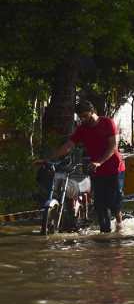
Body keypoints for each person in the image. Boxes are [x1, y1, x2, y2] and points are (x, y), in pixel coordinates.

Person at [35, 100, 125, 233]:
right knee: (100, 206)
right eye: (80, 117)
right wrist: (47, 159)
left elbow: (113, 146)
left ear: (92, 111)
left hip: (114, 170)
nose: (83, 119)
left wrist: (99, 162)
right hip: (96, 172)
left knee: (113, 202)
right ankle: (105, 235)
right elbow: (66, 146)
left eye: (85, 116)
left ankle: (119, 224)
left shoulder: (108, 123)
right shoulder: (82, 129)